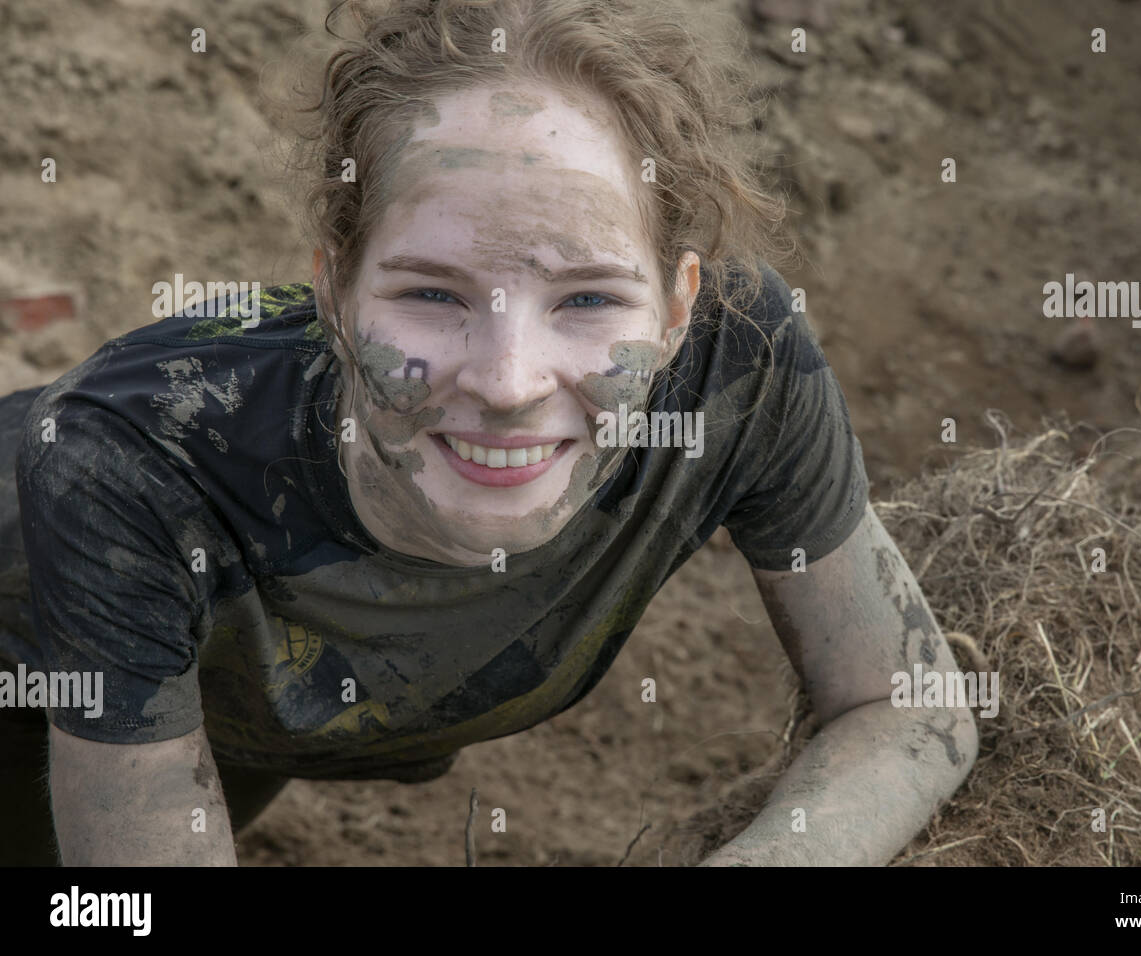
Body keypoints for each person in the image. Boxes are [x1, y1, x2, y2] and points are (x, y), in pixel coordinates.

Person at [0, 0, 977, 866]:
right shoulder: (133, 466)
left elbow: (906, 704)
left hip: (250, 723)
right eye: (432, 293)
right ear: (334, 290)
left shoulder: (740, 364)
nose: (509, 383)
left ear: (681, 305)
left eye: (588, 297)